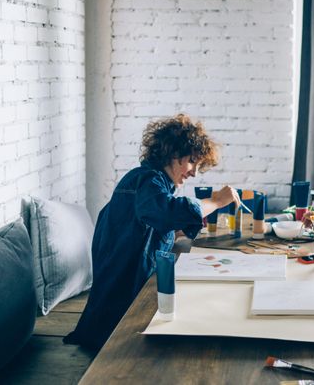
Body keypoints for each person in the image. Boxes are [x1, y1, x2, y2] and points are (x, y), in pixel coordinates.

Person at [64, 114, 239, 351]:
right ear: (173, 154)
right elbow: (166, 212)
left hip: (128, 289)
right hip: (120, 304)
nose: (194, 173)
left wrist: (174, 232)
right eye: (192, 162)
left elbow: (146, 224)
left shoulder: (149, 182)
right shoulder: (147, 180)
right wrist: (216, 201)